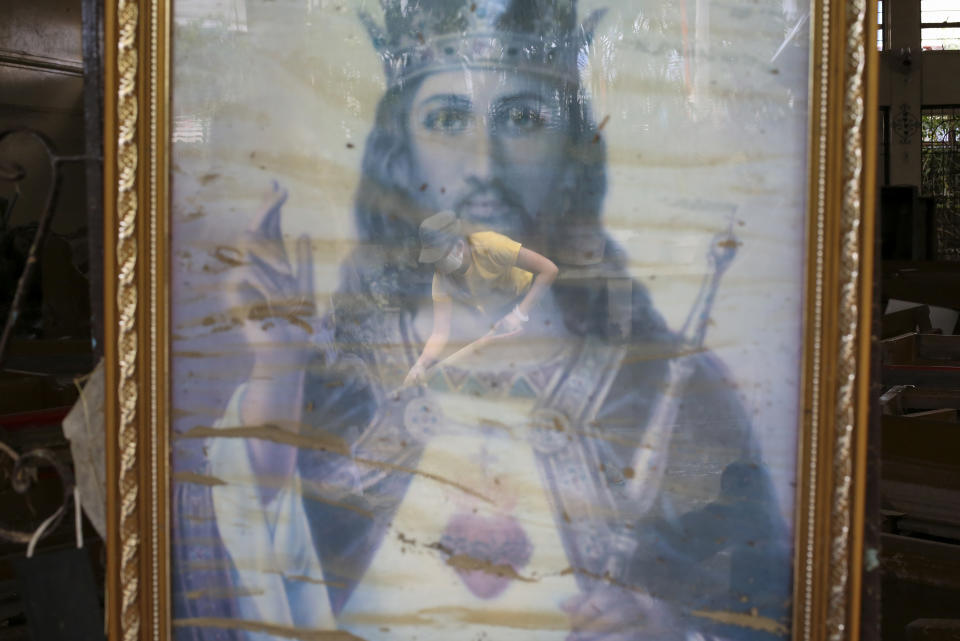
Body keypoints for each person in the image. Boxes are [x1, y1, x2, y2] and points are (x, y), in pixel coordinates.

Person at [173, 1, 792, 640]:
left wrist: (669, 629)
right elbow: (231, 575)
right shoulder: (331, 381)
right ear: (401, 154)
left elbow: (761, 608)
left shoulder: (669, 395)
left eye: (522, 119)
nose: (483, 166)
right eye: (446, 120)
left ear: (572, 152)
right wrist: (279, 377)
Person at [404, 210, 559, 387]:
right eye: (435, 261)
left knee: (544, 364)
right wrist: (420, 365)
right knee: (502, 374)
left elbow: (549, 270)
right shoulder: (442, 278)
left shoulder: (491, 245)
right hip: (497, 312)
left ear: (460, 247)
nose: (439, 265)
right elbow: (440, 332)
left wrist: (520, 314)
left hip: (529, 297)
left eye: (441, 257)